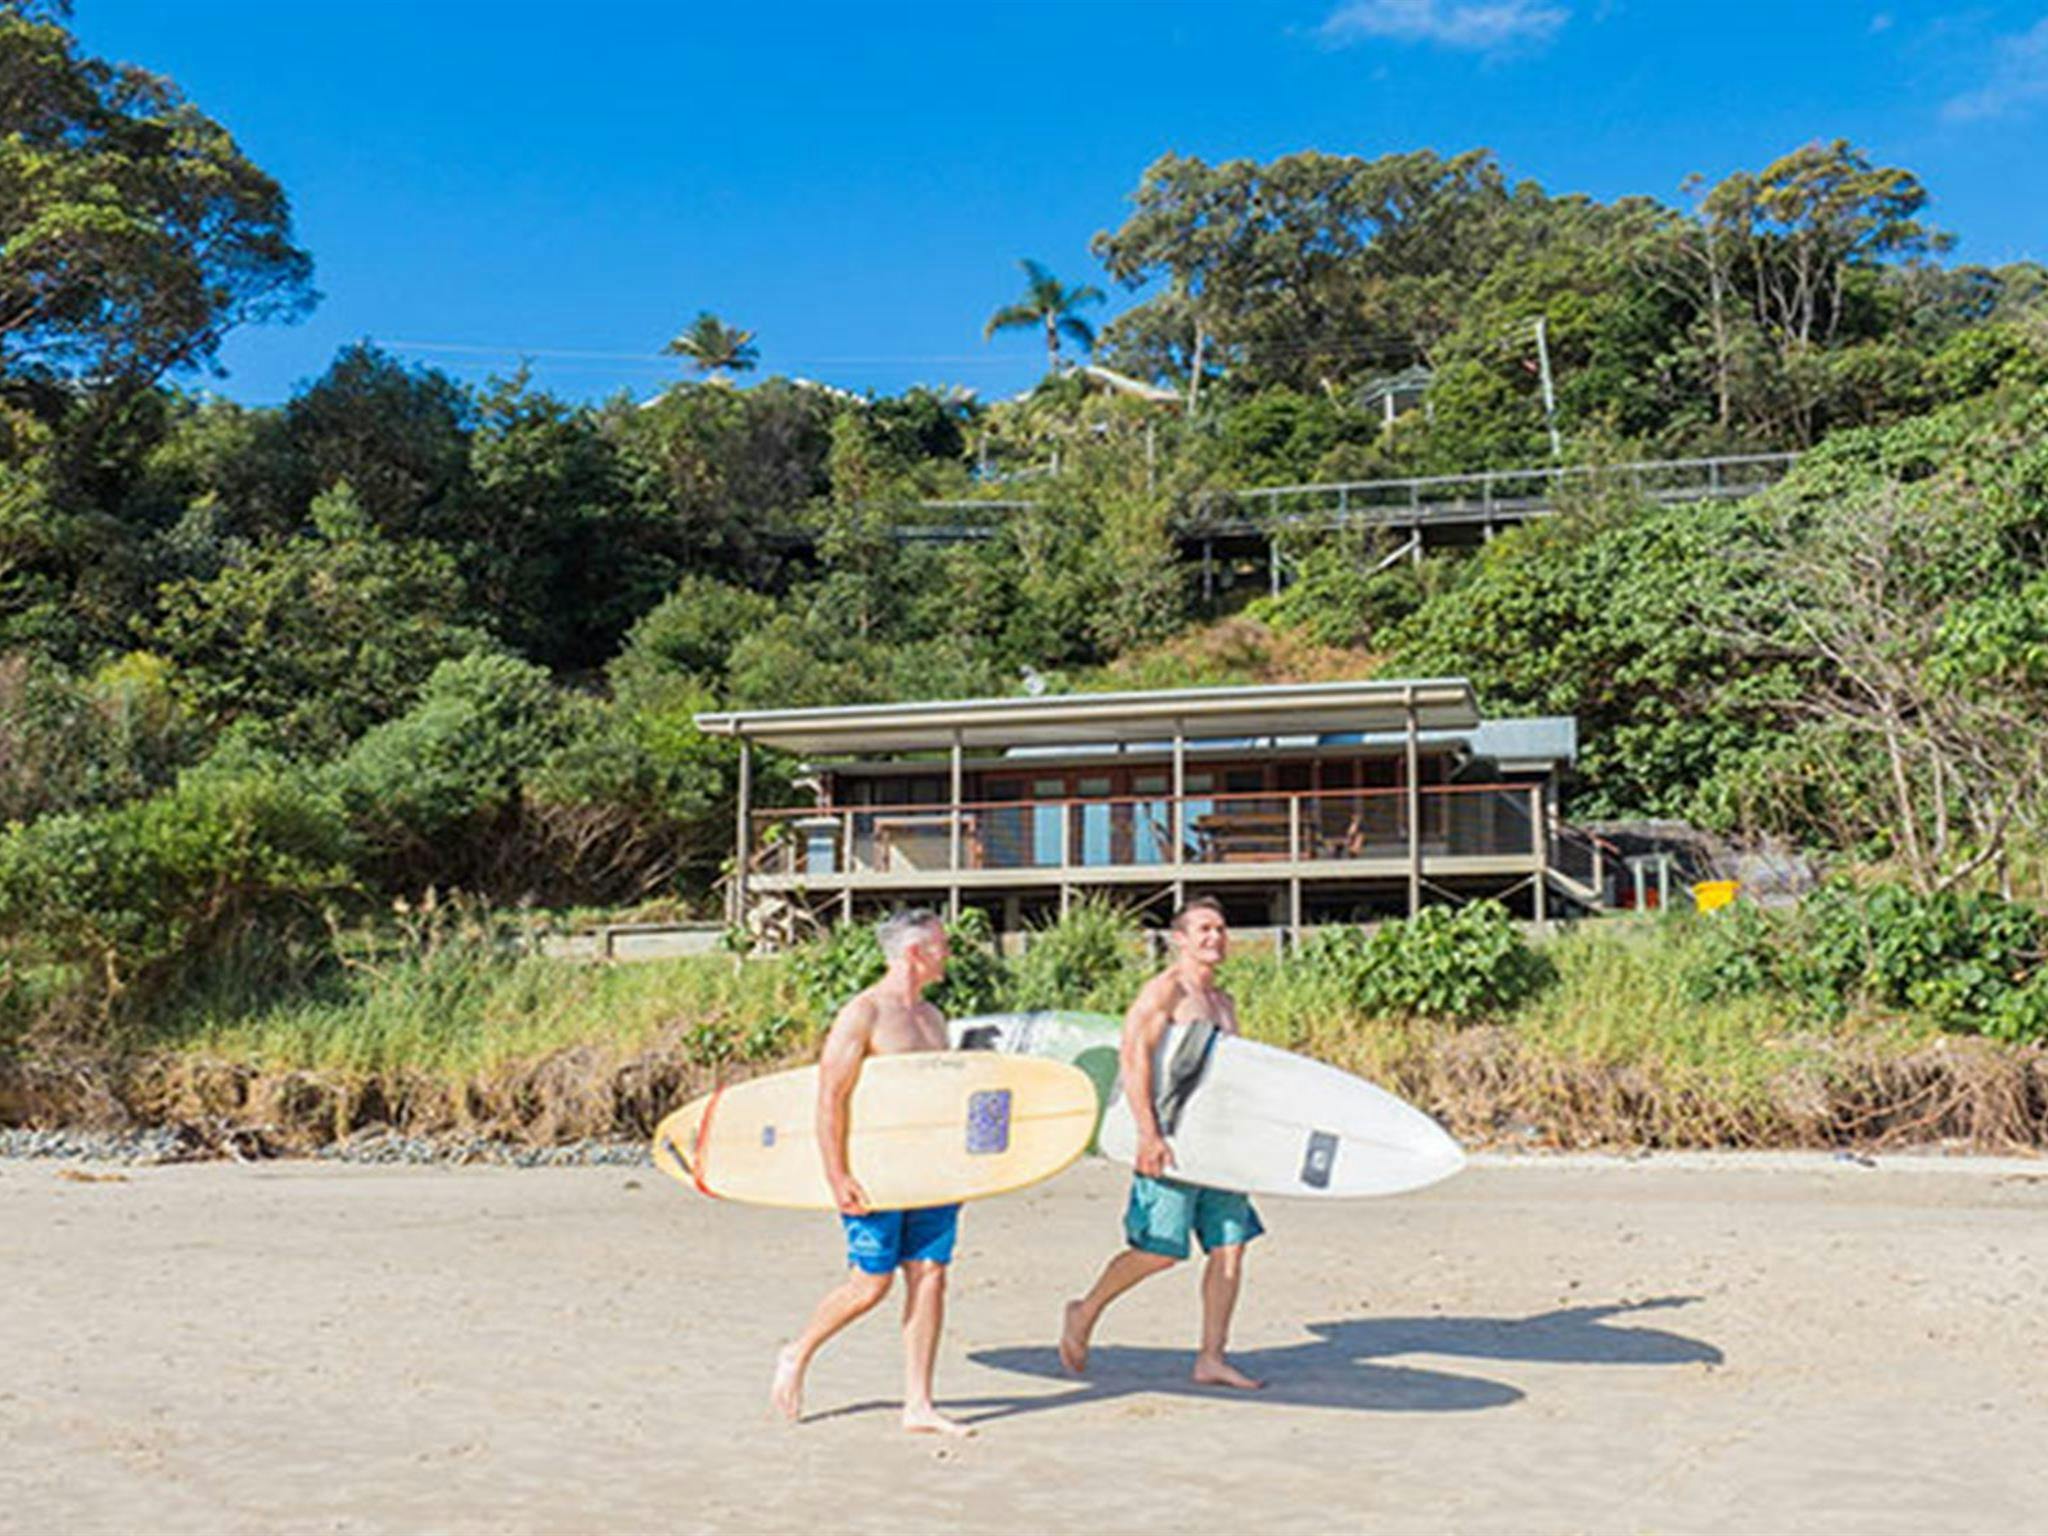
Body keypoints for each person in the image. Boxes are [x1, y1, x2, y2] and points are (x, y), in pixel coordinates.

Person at [770, 908, 973, 1437]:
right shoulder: (863, 1014)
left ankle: (919, 1403)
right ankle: (798, 1350)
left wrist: (965, 1170)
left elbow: (944, 1100)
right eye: (941, 946)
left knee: (931, 1275)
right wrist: (837, 1175)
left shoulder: (932, 1019)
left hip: (930, 1171)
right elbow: (829, 1099)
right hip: (875, 1171)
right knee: (871, 1283)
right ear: (915, 954)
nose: (947, 953)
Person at [1058, 896, 1266, 1390]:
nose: (1215, 937)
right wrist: (1147, 1134)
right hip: (1170, 1140)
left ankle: (1211, 1357)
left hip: (1217, 1147)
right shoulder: (1164, 993)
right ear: (1180, 940)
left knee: (1230, 1248)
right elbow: (1133, 1060)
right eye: (1204, 930)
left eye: (1220, 928)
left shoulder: (1224, 1002)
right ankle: (1083, 1311)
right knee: (1159, 1250)